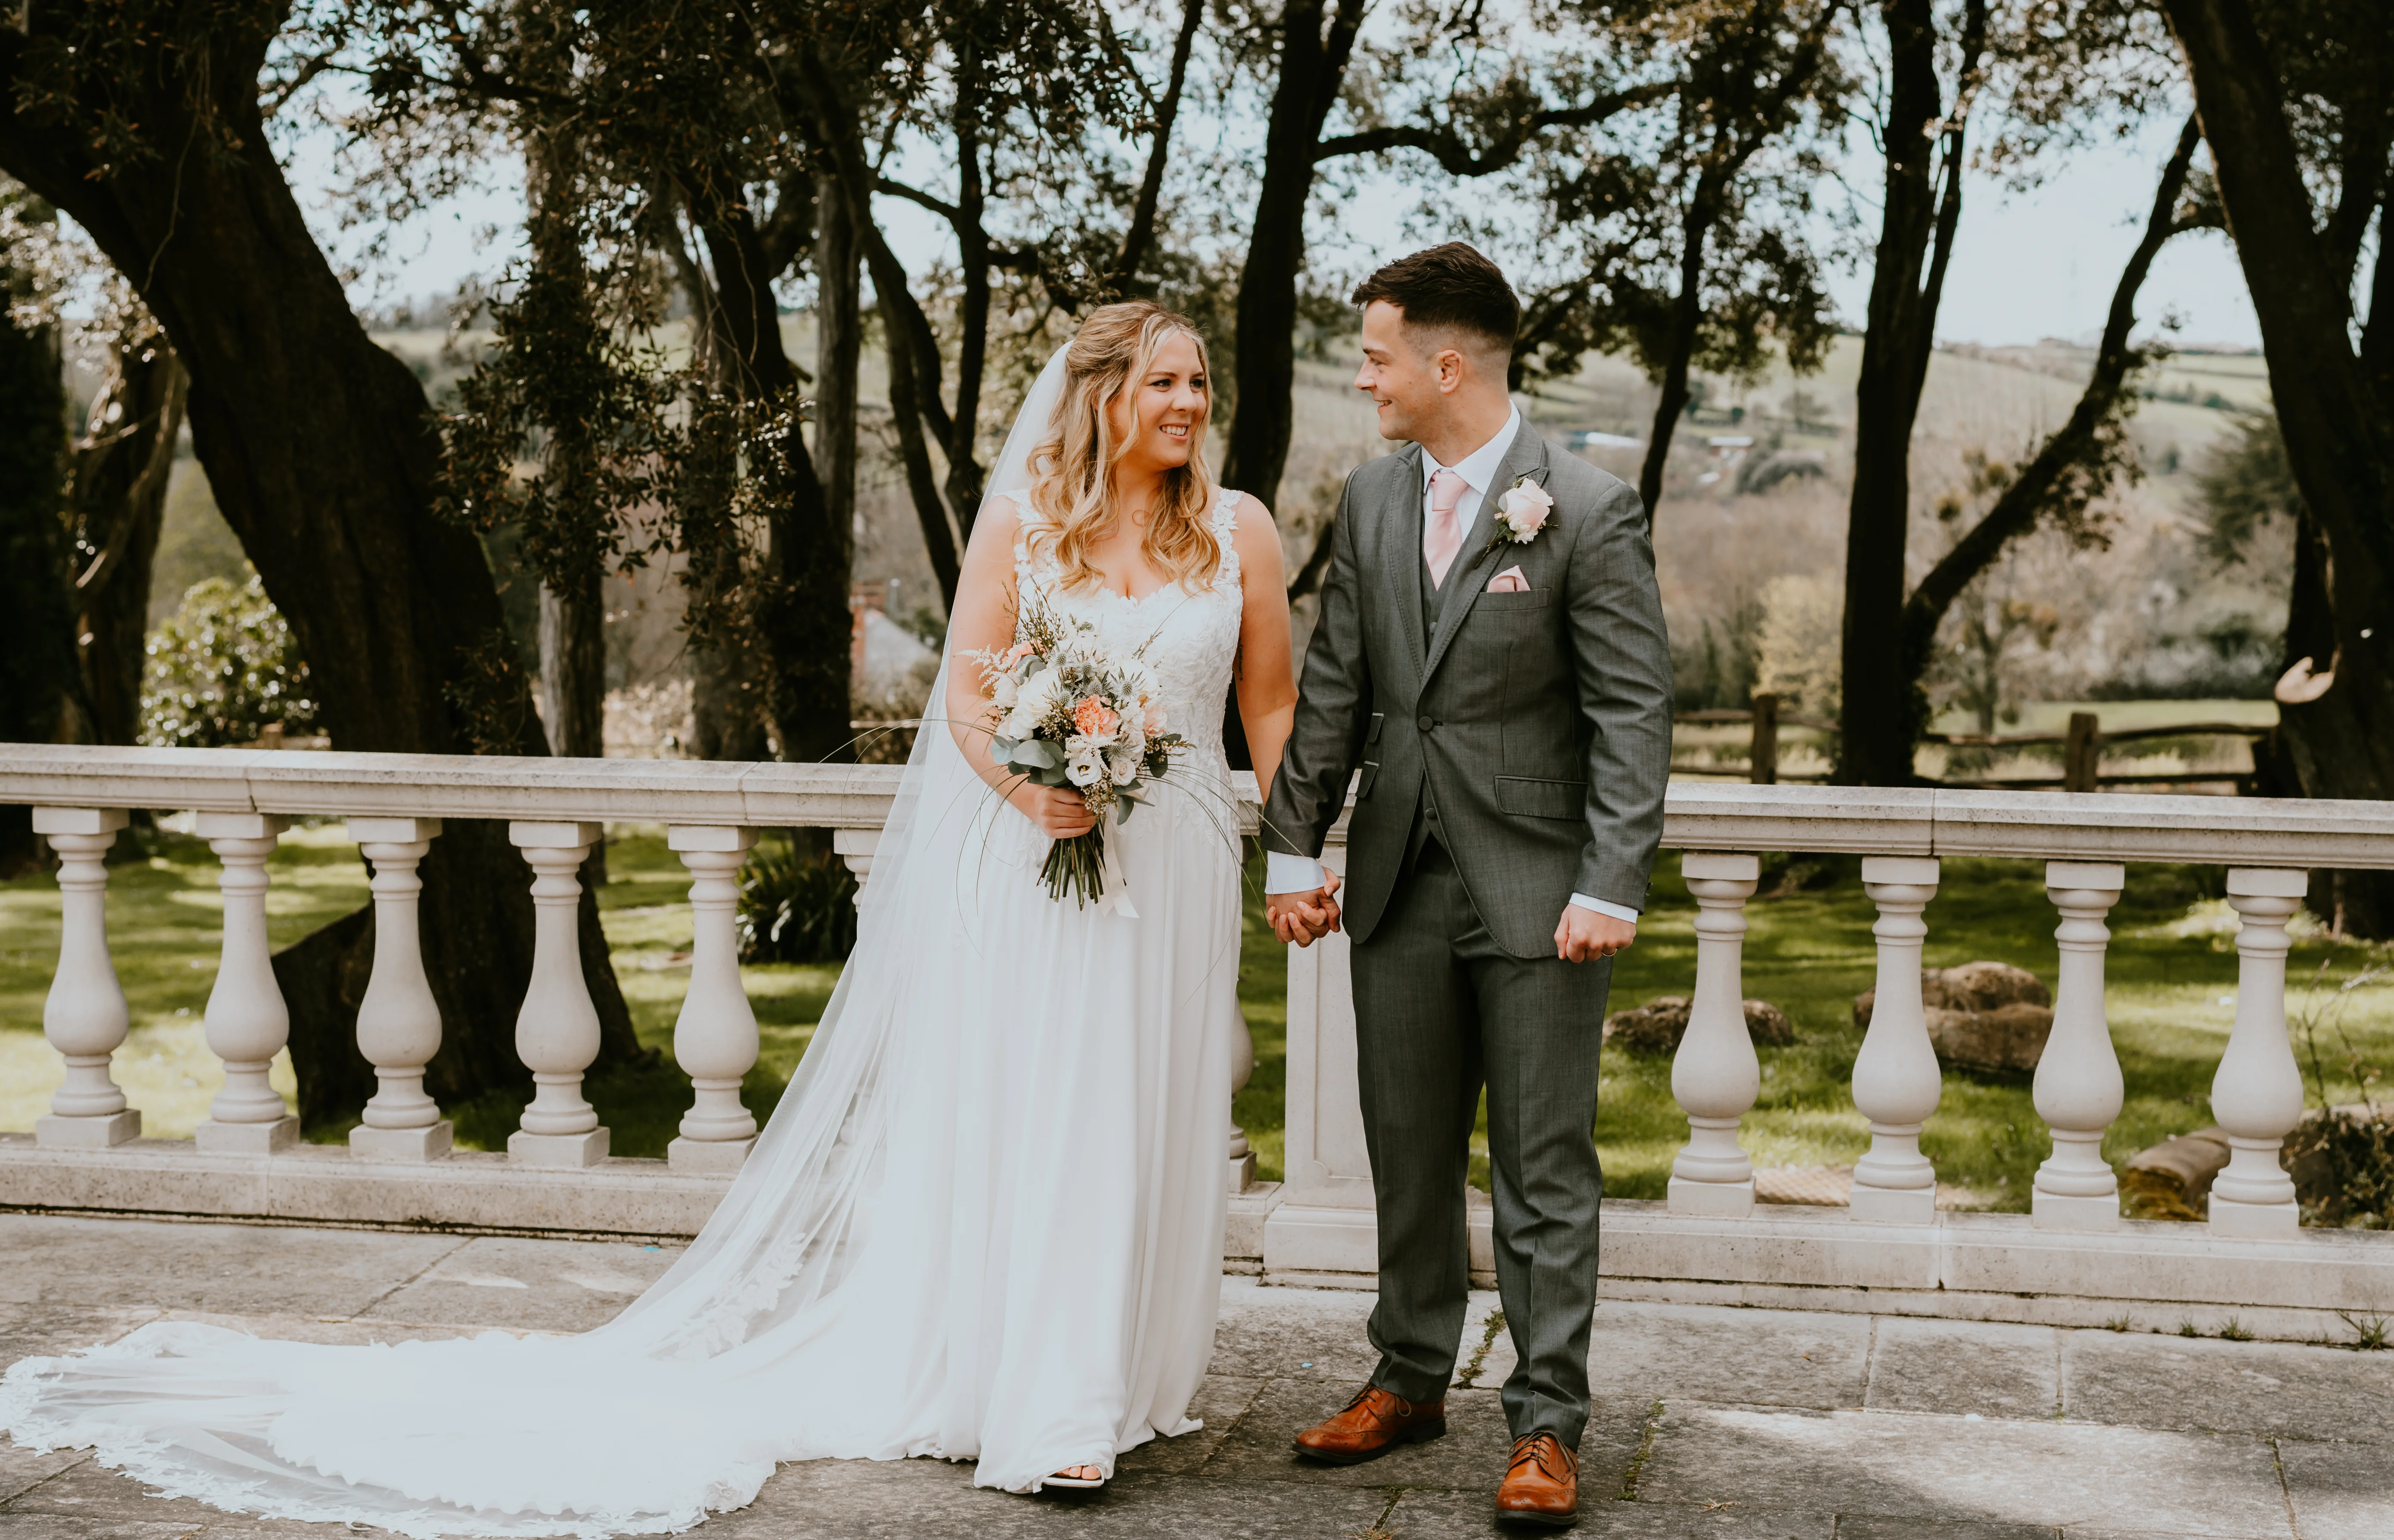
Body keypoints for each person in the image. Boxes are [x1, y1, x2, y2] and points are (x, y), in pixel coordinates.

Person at [0, 300, 1298, 1533]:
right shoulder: (1026, 526)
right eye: (1167, 380)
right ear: (1104, 397)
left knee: (1149, 1104)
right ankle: (1053, 1398)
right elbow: (966, 701)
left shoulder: (1238, 530)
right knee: (1052, 1111)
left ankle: (1125, 1370)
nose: (1190, 401)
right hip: (1043, 864)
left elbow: (1271, 710)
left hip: (1175, 867)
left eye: (1199, 382)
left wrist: (1293, 853)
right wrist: (1034, 788)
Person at [1260, 243, 1672, 1531]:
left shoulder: (1587, 508)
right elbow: (1335, 686)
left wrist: (1611, 878)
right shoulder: (1374, 500)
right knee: (1410, 1147)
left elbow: (1633, 714)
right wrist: (1293, 843)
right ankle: (1410, 1375)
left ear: (1448, 364)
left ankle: (1547, 1423)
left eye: (1378, 353)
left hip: (1543, 891)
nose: (1365, 375)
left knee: (1543, 1163)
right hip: (1396, 882)